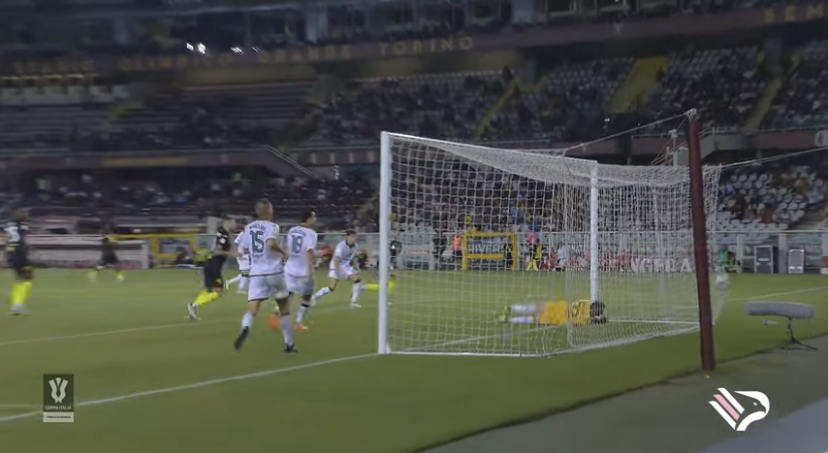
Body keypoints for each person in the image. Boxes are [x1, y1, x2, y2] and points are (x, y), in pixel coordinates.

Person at [234, 199, 296, 353]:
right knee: (284, 309)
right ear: (268, 210)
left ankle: (246, 327)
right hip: (274, 272)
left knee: (252, 309)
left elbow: (242, 249)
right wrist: (284, 253)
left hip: (256, 273)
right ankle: (289, 344)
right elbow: (271, 243)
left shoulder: (248, 228)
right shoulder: (272, 226)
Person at [187, 217, 237, 320]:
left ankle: (194, 306)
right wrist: (231, 253)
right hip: (213, 266)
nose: (235, 225)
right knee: (219, 291)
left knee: (209, 290)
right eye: (234, 223)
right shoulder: (223, 235)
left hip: (210, 265)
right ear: (228, 223)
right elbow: (217, 251)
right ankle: (194, 305)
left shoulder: (223, 233)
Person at [311, 230, 366, 309]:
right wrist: (344, 272)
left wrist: (356, 267)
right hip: (335, 267)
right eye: (352, 237)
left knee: (357, 280)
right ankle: (314, 297)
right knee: (331, 288)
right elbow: (336, 262)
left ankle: (354, 302)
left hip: (346, 267)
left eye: (355, 237)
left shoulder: (355, 245)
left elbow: (353, 257)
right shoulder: (341, 246)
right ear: (347, 237)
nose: (354, 239)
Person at [285, 211, 318, 331]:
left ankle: (282, 317)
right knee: (307, 296)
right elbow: (309, 251)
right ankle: (299, 322)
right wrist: (311, 268)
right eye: (314, 217)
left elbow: (288, 248)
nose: (315, 220)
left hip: (289, 268)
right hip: (303, 270)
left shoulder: (292, 230)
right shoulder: (311, 233)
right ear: (308, 219)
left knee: (289, 294)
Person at [5, 207, 34, 315]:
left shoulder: (9, 225)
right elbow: (21, 239)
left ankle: (16, 306)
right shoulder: (23, 225)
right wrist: (26, 248)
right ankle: (18, 305)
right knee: (28, 277)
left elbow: (9, 240)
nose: (27, 215)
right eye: (25, 214)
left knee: (20, 278)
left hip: (11, 252)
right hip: (19, 253)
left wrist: (7, 255)